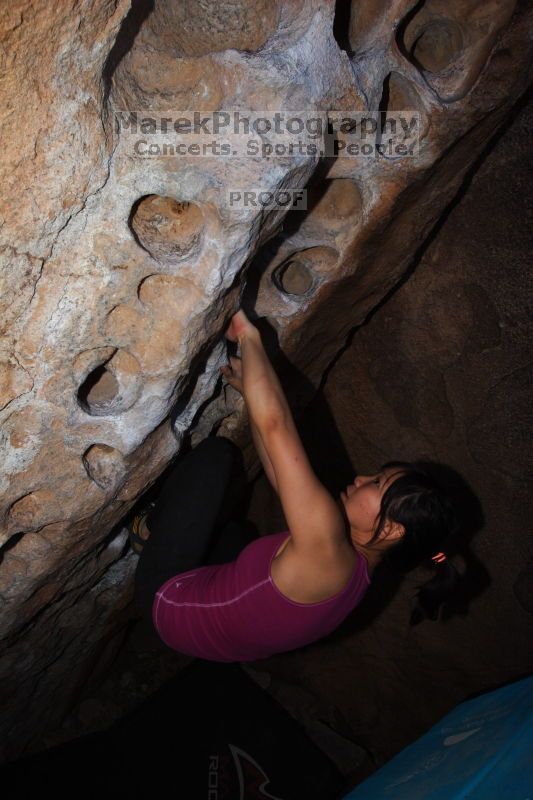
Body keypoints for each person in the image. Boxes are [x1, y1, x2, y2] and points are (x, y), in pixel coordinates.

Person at [131, 307, 462, 662]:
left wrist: (247, 335)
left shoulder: (328, 554)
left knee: (216, 457)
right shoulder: (360, 567)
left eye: (378, 484)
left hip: (167, 604)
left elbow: (276, 426)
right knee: (237, 536)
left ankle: (146, 532)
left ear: (394, 529)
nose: (362, 478)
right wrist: (250, 394)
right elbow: (279, 469)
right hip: (208, 642)